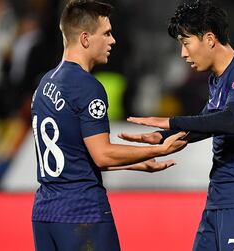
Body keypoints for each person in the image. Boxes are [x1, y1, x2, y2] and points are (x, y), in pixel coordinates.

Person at [119, 1, 234, 250]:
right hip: (219, 197)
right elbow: (205, 123)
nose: (183, 54)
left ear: (210, 39)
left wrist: (171, 120)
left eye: (186, 42)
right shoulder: (219, 79)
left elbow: (233, 120)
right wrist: (160, 137)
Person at [30, 1, 187, 251]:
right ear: (85, 38)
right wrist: (159, 149)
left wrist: (135, 163)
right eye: (106, 33)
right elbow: (102, 155)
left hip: (45, 213)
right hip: (82, 212)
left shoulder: (44, 85)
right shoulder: (88, 87)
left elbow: (72, 158)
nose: (112, 40)